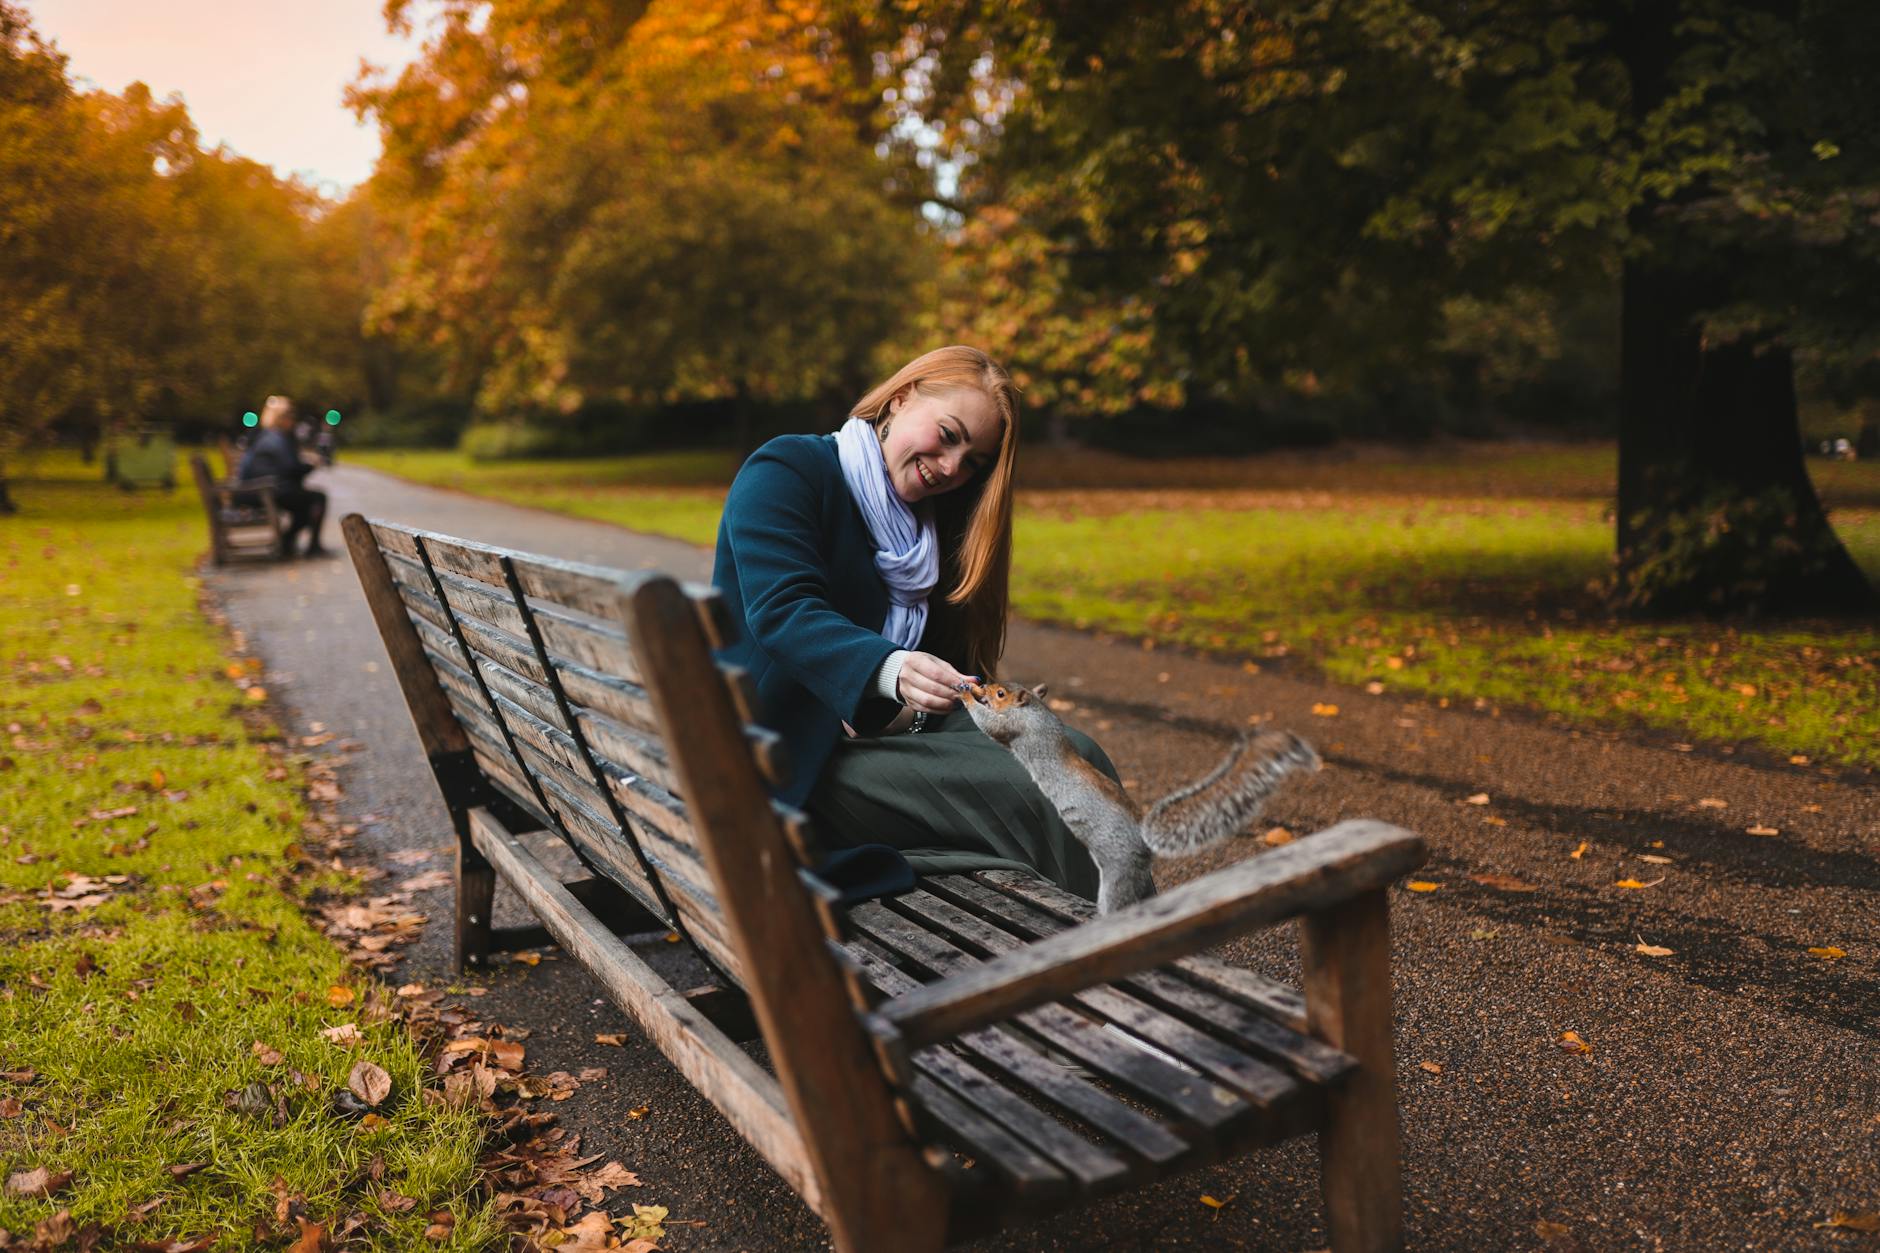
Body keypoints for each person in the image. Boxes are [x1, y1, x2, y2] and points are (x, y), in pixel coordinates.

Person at [711, 345, 1117, 901]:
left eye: (973, 460)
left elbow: (945, 668)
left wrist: (976, 701)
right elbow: (782, 610)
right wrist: (889, 667)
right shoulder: (788, 470)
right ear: (900, 399)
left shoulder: (932, 525)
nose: (952, 468)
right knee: (1039, 792)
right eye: (948, 435)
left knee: (1076, 757)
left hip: (880, 741)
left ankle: (1114, 942)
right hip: (785, 757)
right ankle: (1105, 962)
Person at [237, 395, 329, 556]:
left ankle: (287, 541)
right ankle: (305, 544)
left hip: (260, 490)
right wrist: (312, 465)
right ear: (283, 418)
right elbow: (290, 468)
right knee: (317, 499)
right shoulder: (276, 438)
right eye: (291, 417)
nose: (293, 421)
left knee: (305, 501)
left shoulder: (267, 435)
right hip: (264, 491)